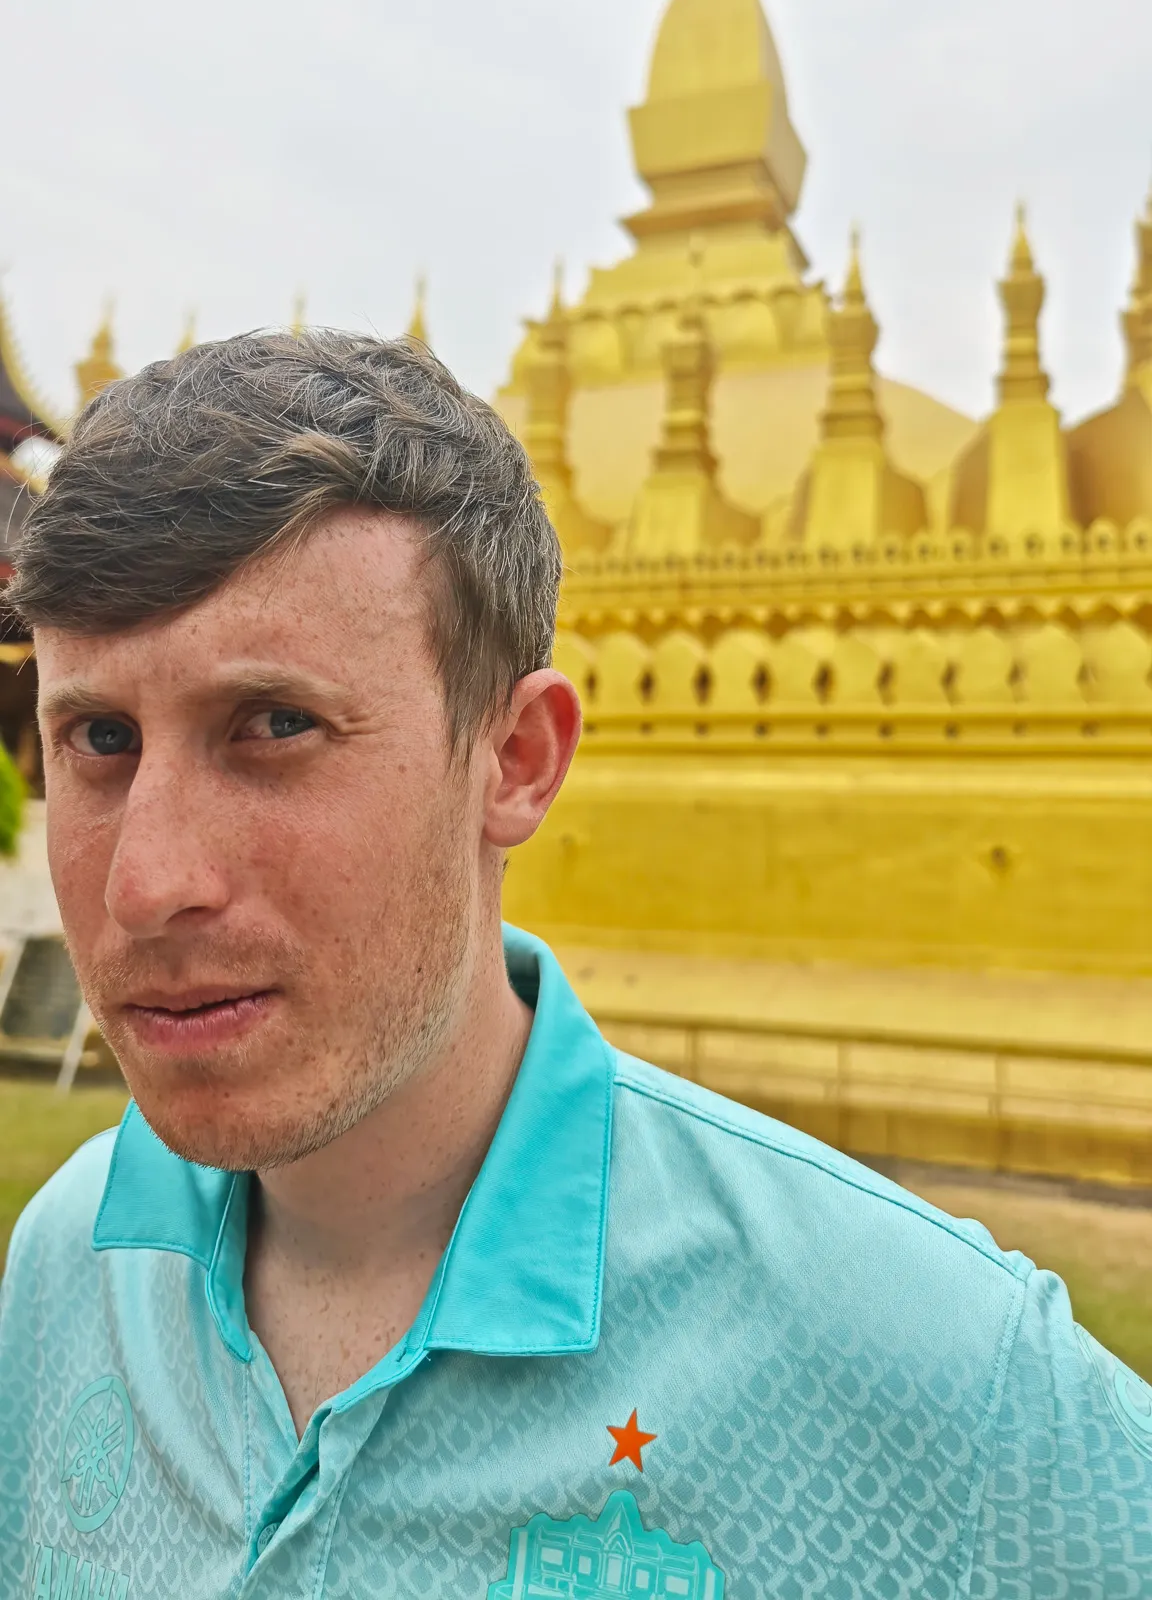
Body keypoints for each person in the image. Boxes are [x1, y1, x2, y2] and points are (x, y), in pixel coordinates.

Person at [1, 330, 1149, 1600]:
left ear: (516, 760)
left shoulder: (941, 1371)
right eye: (98, 737)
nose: (149, 883)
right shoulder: (69, 1268)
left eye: (277, 725)